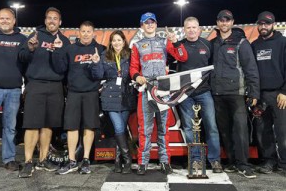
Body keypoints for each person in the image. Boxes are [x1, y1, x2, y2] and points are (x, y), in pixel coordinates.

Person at [129, 12, 188, 175]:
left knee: (164, 128)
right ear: (141, 26)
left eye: (152, 22)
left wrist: (175, 42)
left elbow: (182, 57)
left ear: (156, 24)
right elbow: (133, 68)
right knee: (145, 128)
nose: (149, 25)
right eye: (146, 22)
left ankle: (165, 161)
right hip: (145, 90)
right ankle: (142, 162)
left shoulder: (164, 42)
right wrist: (137, 76)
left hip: (163, 90)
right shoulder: (137, 45)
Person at [18, 7, 70, 178]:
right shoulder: (35, 36)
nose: (52, 21)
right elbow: (22, 57)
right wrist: (31, 48)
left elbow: (64, 68)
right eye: (49, 18)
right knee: (32, 124)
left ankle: (42, 159)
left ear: (60, 22)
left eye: (55, 18)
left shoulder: (64, 40)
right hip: (36, 84)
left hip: (55, 86)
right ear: (45, 20)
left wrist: (58, 51)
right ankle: (27, 162)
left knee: (48, 124)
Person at [210, 10, 260, 179]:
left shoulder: (241, 42)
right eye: (221, 20)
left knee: (240, 130)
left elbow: (251, 69)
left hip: (237, 94)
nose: (224, 23)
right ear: (217, 23)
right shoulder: (214, 43)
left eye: (227, 20)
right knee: (224, 130)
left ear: (232, 22)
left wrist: (254, 92)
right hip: (217, 93)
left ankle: (243, 164)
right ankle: (232, 161)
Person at [52, 21, 105, 175]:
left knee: (89, 127)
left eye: (89, 31)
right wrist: (56, 51)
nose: (86, 34)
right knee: (72, 127)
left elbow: (100, 75)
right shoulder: (70, 49)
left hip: (91, 93)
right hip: (74, 93)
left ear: (93, 33)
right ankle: (72, 160)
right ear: (79, 32)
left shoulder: (100, 49)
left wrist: (95, 63)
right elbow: (60, 69)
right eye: (83, 31)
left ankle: (86, 160)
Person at [176, 17, 223, 173]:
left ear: (199, 29)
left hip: (204, 92)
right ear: (184, 29)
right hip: (185, 94)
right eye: (188, 27)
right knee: (189, 127)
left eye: (194, 27)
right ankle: (195, 160)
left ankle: (215, 160)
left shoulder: (207, 45)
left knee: (212, 126)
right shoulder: (179, 46)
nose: (191, 30)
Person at [91, 30, 137, 174]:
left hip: (126, 95)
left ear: (124, 41)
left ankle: (118, 160)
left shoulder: (130, 54)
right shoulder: (104, 55)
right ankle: (127, 159)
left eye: (119, 40)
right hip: (110, 96)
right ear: (110, 43)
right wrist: (96, 63)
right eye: (114, 40)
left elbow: (135, 71)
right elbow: (98, 75)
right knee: (118, 127)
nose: (116, 43)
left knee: (121, 129)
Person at [0, 8, 26, 171]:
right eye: (1, 18)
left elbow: (27, 64)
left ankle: (9, 159)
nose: (4, 21)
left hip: (14, 90)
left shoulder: (22, 40)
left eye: (8, 18)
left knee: (10, 127)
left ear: (14, 20)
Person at [251, 11, 286, 175]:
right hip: (260, 96)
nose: (263, 26)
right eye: (261, 23)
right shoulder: (254, 45)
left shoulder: (283, 42)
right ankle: (269, 161)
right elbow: (251, 72)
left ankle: (284, 163)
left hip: (280, 95)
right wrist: (253, 94)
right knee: (263, 131)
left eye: (267, 23)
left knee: (282, 131)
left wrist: (285, 92)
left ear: (273, 24)